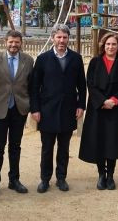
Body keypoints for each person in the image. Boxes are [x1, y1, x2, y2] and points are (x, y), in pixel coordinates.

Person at [29, 24, 87, 193]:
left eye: (65, 37)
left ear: (68, 39)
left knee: (64, 147)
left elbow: (82, 86)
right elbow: (34, 87)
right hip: (47, 110)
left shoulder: (76, 58)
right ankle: (45, 179)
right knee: (47, 147)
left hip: (68, 110)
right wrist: (35, 109)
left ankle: (61, 178)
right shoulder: (43, 59)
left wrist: (81, 105)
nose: (62, 40)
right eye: (59, 37)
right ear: (53, 38)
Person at [79, 33, 118, 190]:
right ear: (103, 46)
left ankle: (110, 175)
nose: (111, 47)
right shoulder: (95, 62)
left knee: (113, 143)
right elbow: (90, 83)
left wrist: (115, 101)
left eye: (114, 44)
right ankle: (101, 175)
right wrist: (102, 101)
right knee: (99, 141)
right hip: (99, 109)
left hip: (117, 109)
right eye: (108, 44)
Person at [0, 30, 34, 197]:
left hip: (19, 110)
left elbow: (31, 86)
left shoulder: (28, 60)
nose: (14, 45)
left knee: (15, 146)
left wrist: (31, 107)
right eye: (11, 42)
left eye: (17, 42)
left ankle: (14, 180)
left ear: (21, 43)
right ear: (5, 42)